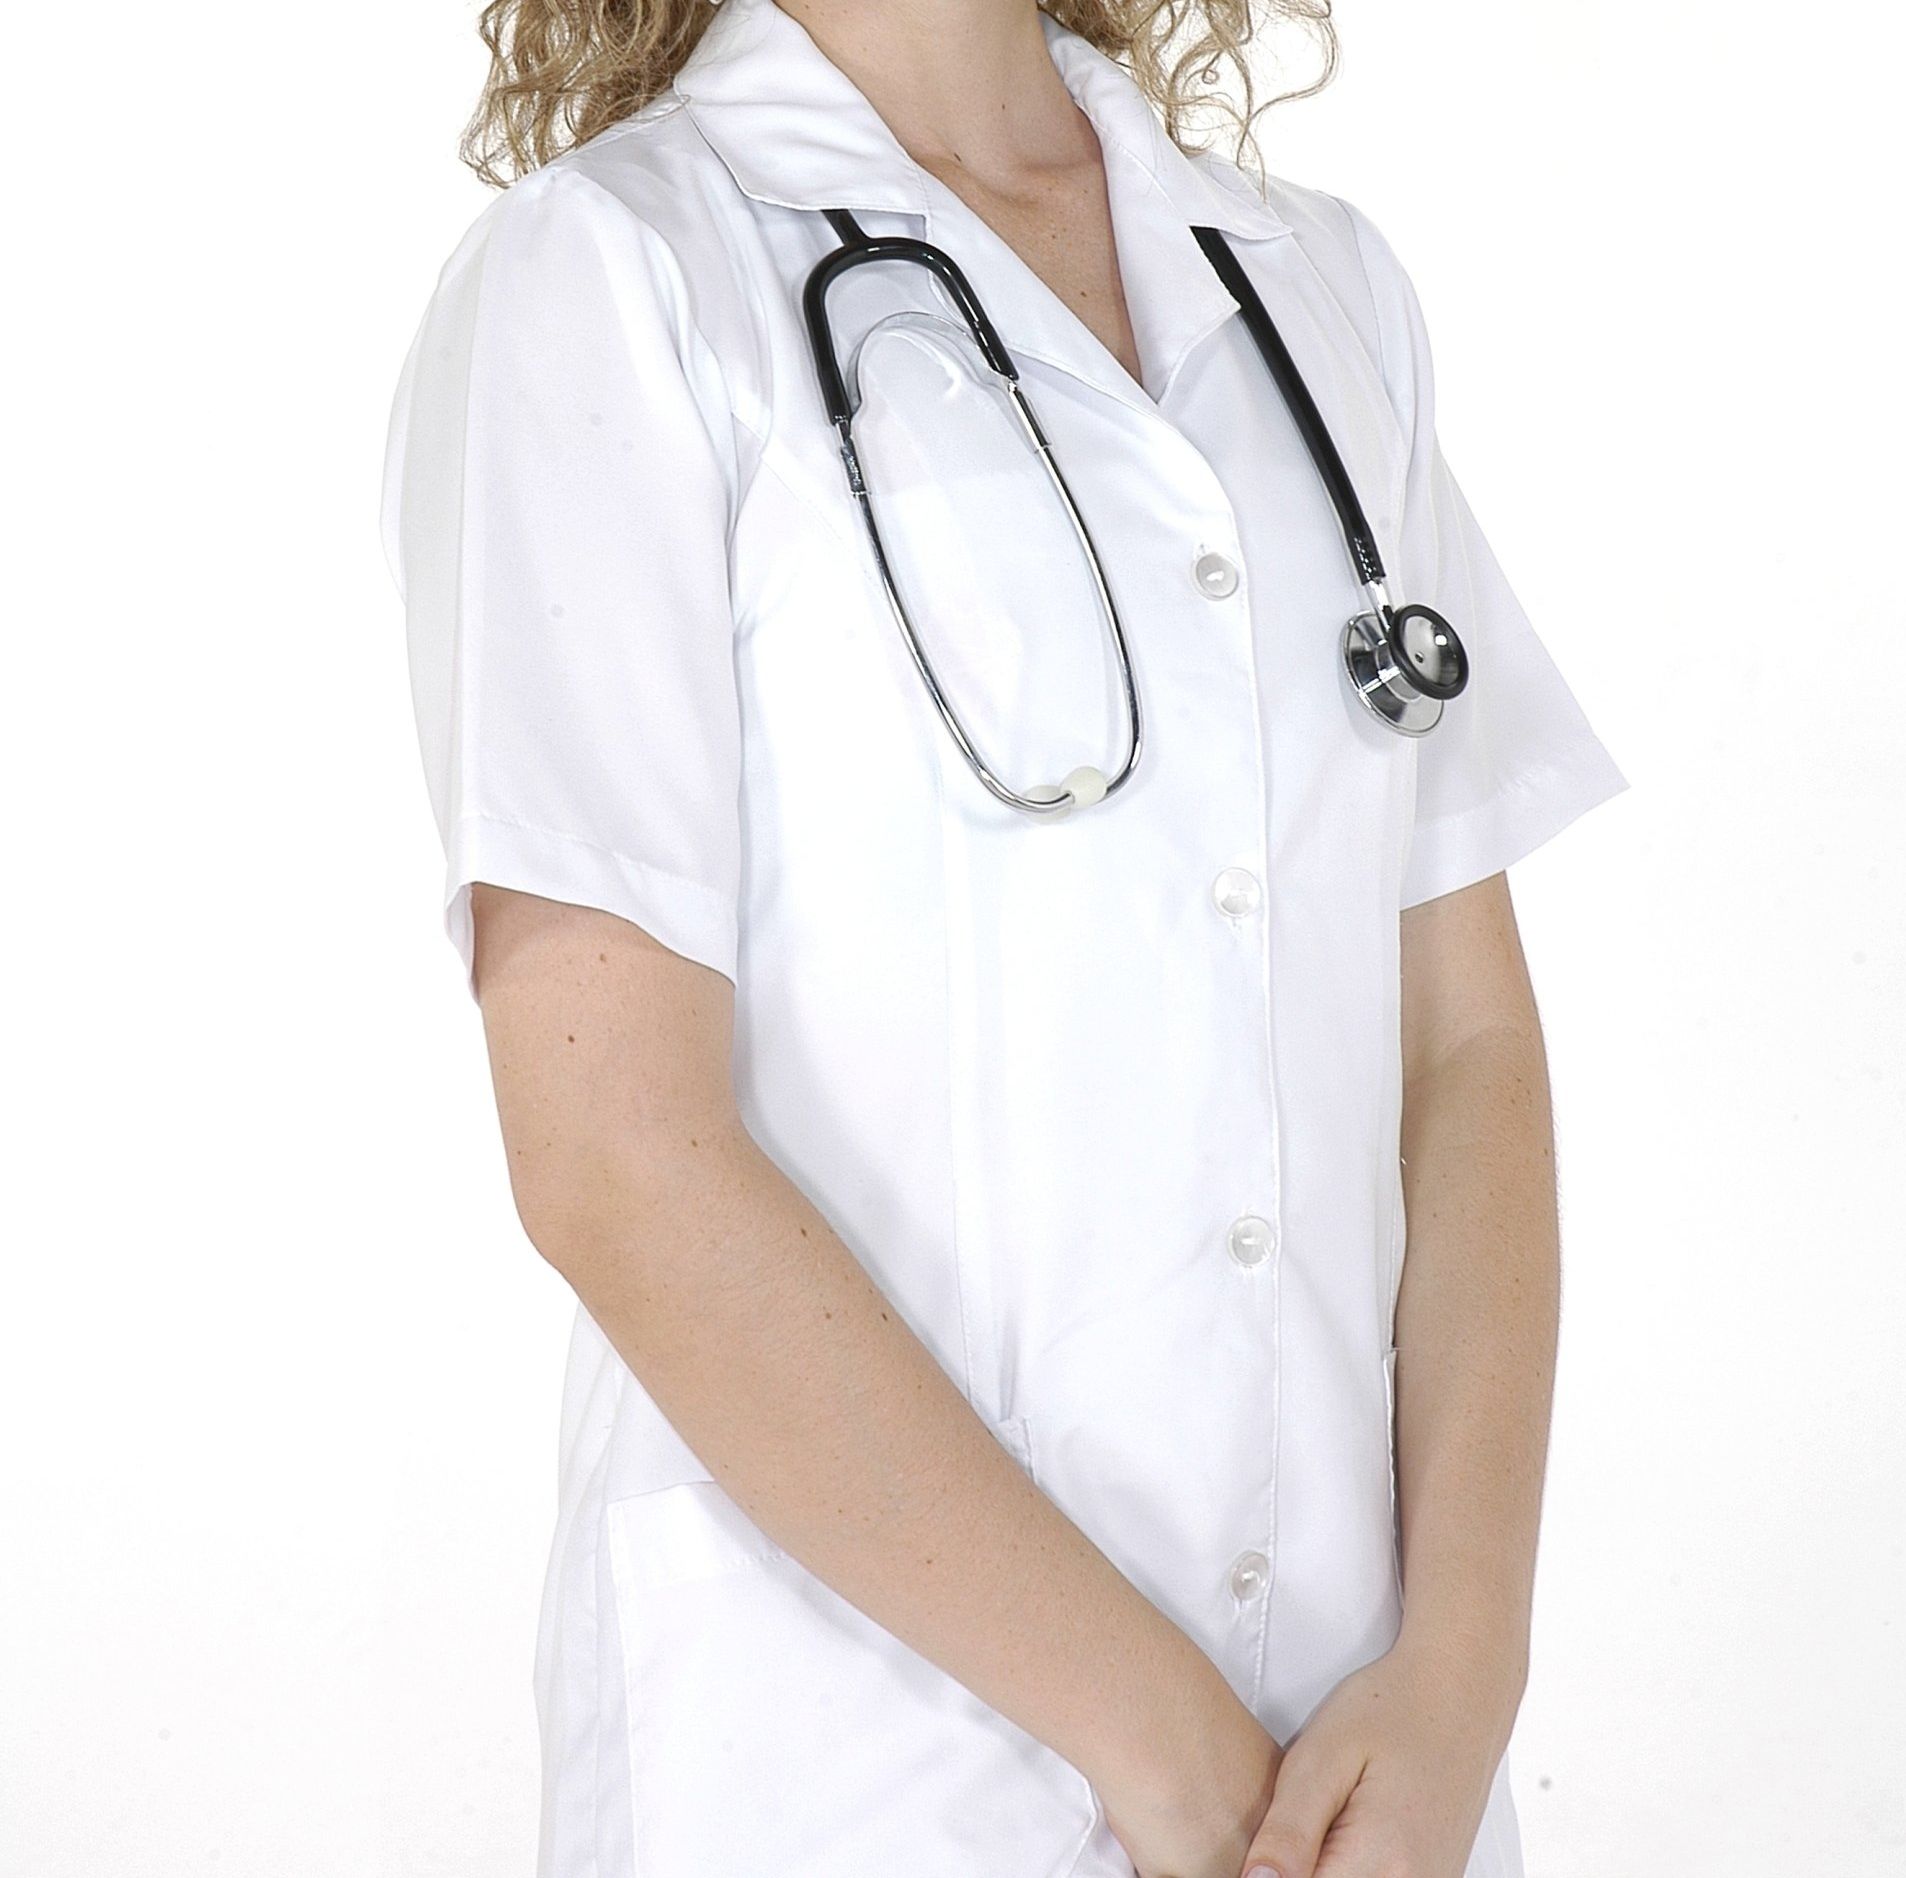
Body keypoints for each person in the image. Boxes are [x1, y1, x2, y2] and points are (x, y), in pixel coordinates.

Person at [377, 1, 1627, 1873]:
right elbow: (613, 1155)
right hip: (858, 1772)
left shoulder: (1309, 290)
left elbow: (1467, 1048)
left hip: (1362, 1781)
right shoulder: (616, 272)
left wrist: (1458, 1671)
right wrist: (1169, 1752)